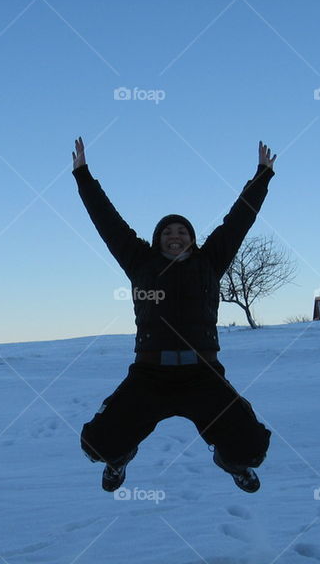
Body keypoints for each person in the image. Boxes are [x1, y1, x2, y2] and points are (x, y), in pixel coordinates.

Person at [72, 136, 276, 493]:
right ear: (157, 239)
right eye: (167, 232)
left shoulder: (209, 262)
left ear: (193, 240)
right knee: (97, 444)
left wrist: (261, 176)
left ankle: (232, 463)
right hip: (151, 376)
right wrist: (83, 176)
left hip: (202, 374)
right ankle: (119, 458)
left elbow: (238, 220)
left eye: (182, 231)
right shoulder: (140, 262)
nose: (175, 236)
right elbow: (107, 221)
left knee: (252, 447)